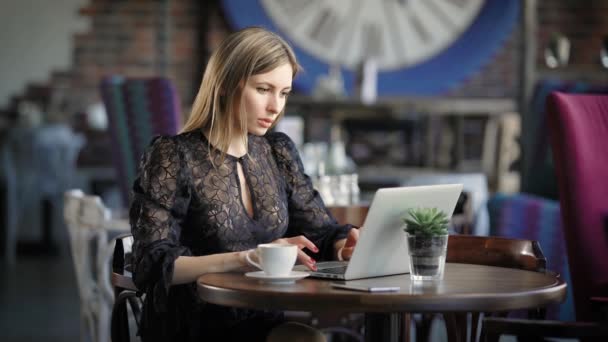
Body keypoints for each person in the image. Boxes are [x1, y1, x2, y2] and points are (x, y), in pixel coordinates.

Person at [129, 26, 360, 342]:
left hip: (263, 322)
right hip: (193, 327)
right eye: (263, 89)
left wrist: (341, 246)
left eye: (284, 93)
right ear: (225, 85)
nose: (275, 107)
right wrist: (246, 259)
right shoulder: (173, 154)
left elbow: (319, 230)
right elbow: (150, 263)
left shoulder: (278, 151)